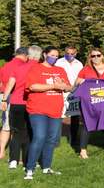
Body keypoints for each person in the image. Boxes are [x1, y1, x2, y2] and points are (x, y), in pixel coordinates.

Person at [24, 46, 72, 180]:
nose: (55, 58)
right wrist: (54, 86)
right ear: (45, 55)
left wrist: (63, 85)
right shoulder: (36, 68)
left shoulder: (59, 70)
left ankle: (46, 167)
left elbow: (69, 87)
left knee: (51, 140)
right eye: (52, 55)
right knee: (39, 137)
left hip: (55, 110)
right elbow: (33, 86)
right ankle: (30, 169)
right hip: (37, 109)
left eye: (57, 56)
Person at [2, 46, 41, 169]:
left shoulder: (18, 67)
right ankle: (27, 161)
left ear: (28, 55)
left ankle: (13, 161)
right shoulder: (40, 68)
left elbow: (10, 84)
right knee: (30, 133)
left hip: (16, 103)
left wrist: (4, 99)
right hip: (32, 103)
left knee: (17, 132)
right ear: (40, 56)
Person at [75, 48, 104, 159]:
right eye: (93, 56)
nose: (96, 58)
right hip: (89, 102)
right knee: (87, 123)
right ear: (90, 57)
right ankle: (83, 150)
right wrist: (83, 81)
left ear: (102, 56)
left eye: (98, 55)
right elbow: (77, 82)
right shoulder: (86, 69)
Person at [0, 47, 28, 160]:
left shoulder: (5, 65)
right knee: (18, 128)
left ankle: (1, 151)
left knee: (6, 125)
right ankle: (17, 155)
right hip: (16, 97)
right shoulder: (23, 66)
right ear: (25, 56)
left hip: (3, 96)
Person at [55, 46, 83, 147]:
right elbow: (56, 75)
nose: (69, 55)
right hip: (62, 91)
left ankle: (74, 139)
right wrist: (64, 86)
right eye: (67, 53)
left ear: (75, 54)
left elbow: (81, 77)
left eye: (72, 54)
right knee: (59, 116)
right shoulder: (58, 62)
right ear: (64, 52)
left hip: (75, 91)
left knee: (75, 116)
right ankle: (56, 140)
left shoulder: (79, 64)